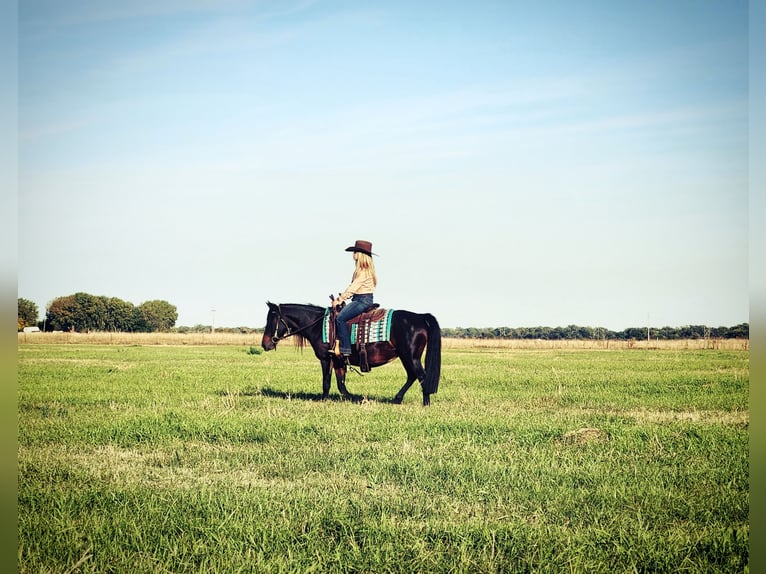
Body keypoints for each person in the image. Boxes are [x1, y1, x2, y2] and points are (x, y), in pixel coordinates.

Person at [333, 240, 378, 356]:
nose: (353, 254)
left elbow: (353, 287)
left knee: (340, 318)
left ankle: (346, 349)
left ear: (361, 255)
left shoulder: (363, 270)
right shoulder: (364, 269)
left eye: (355, 252)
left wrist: (339, 300)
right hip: (362, 299)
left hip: (361, 300)